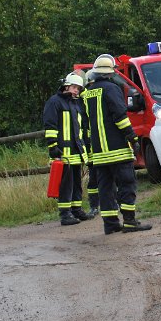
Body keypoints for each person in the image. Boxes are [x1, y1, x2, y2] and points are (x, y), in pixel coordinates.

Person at [82, 54, 152, 234]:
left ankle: (110, 224)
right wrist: (132, 138)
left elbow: (84, 124)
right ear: (111, 72)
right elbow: (120, 117)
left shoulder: (86, 93)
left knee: (105, 188)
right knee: (127, 184)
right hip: (118, 149)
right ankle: (129, 222)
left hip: (98, 153)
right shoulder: (111, 88)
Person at [42, 73, 94, 225]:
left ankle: (76, 210)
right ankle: (65, 214)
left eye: (78, 88)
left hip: (76, 151)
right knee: (65, 184)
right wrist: (53, 147)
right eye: (74, 87)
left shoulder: (76, 104)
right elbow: (50, 125)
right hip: (62, 151)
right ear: (66, 86)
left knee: (77, 182)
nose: (77, 90)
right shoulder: (55, 102)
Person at [83, 69, 100, 216]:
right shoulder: (100, 93)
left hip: (89, 144)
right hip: (98, 143)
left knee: (94, 178)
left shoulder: (83, 97)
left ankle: (94, 207)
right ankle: (115, 203)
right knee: (108, 177)